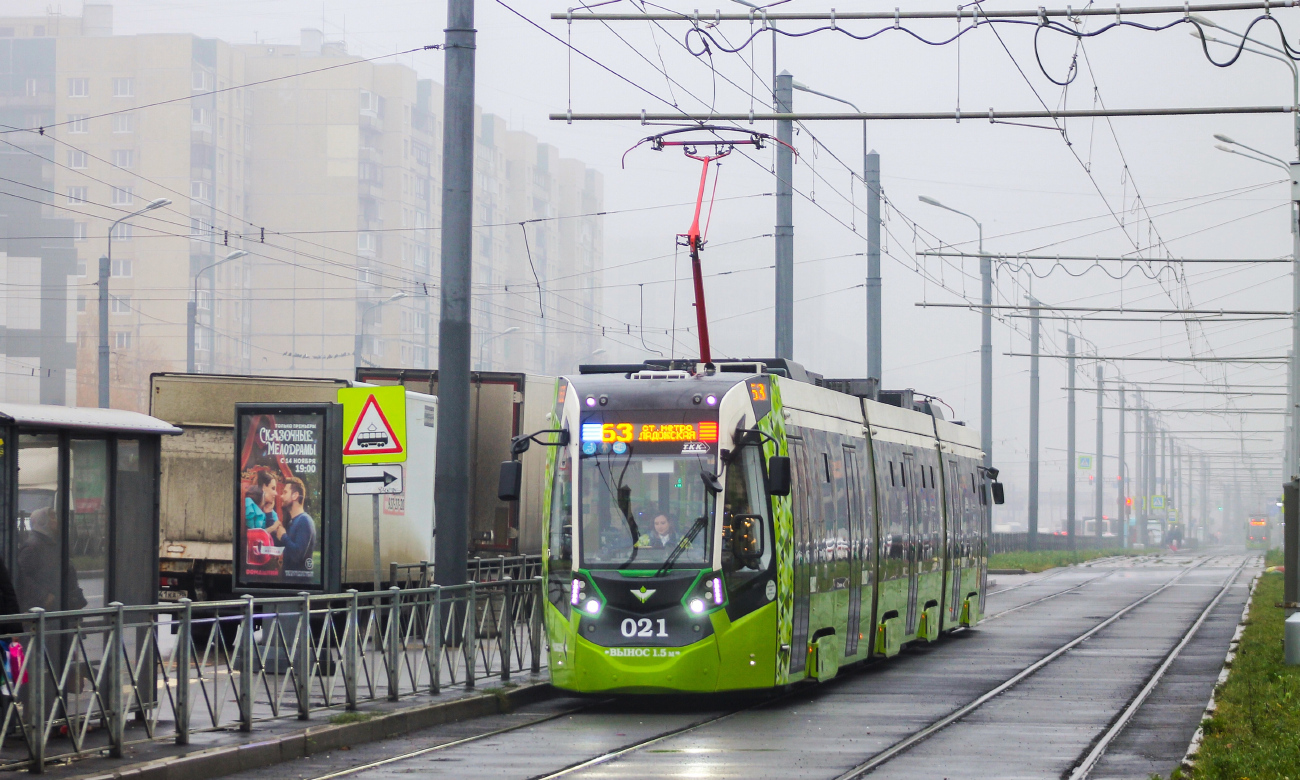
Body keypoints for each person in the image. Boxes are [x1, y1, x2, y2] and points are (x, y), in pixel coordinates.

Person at [16, 507, 87, 612]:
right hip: (44, 609)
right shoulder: (32, 546)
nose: (56, 520)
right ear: (42, 521)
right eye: (52, 517)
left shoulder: (53, 543)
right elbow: (23, 577)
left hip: (62, 604)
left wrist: (77, 597)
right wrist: (44, 597)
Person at [271, 477, 316, 577]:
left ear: (295, 495)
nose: (281, 496)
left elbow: (297, 555)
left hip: (300, 586)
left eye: (285, 492)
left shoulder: (304, 520)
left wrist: (283, 536)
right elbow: (285, 546)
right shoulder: (293, 521)